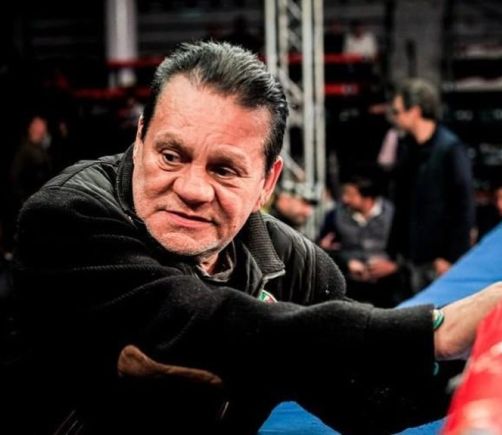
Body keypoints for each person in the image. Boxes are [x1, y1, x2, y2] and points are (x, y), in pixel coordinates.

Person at [8, 41, 502, 435]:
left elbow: (364, 399)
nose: (192, 189)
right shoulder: (67, 216)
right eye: (171, 156)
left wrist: (475, 362)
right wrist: (435, 330)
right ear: (138, 140)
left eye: (224, 169)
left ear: (268, 182)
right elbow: (204, 319)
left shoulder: (296, 267)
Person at [388, 78, 476, 293]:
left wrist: (452, 257)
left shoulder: (450, 149)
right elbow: (402, 202)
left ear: (415, 111)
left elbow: (463, 206)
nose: (394, 117)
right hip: (411, 256)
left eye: (397, 111)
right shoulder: (407, 148)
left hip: (439, 260)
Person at [318, 175, 404, 307]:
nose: (345, 199)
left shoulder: (394, 214)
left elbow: (408, 250)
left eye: (351, 195)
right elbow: (323, 248)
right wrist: (346, 263)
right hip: (349, 284)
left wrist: (394, 266)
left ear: (367, 197)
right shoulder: (334, 216)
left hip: (387, 285)